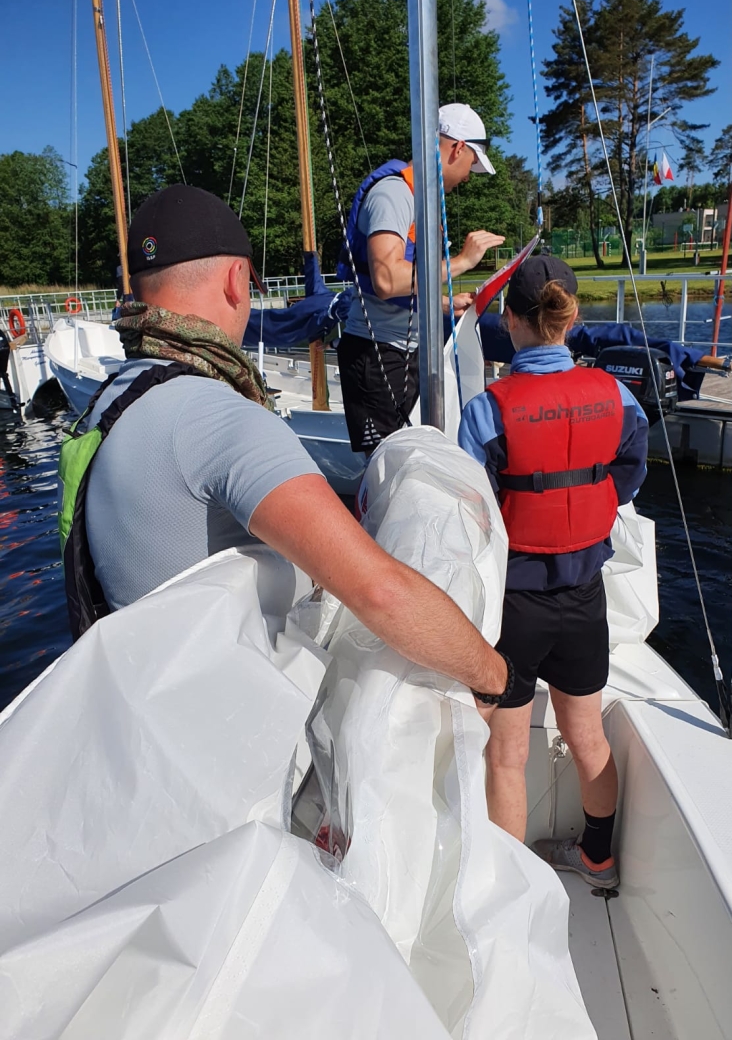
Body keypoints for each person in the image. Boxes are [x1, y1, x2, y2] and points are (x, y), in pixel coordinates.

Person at [65, 184, 512, 711]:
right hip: (227, 735)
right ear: (237, 280)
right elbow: (380, 592)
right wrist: (495, 674)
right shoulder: (217, 415)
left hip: (140, 706)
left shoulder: (108, 401)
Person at [458, 256, 649, 887]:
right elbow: (626, 475)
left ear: (509, 320)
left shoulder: (488, 410)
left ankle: (511, 892)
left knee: (508, 756)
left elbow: (472, 509)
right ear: (569, 321)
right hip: (584, 596)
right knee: (586, 733)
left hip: (516, 604)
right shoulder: (617, 395)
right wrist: (585, 506)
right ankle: (598, 858)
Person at [336, 103, 505, 454]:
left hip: (402, 350)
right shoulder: (394, 194)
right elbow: (385, 278)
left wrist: (444, 304)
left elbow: (404, 285)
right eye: (471, 162)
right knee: (385, 470)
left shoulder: (421, 200)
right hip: (377, 354)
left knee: (409, 461)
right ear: (457, 148)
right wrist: (461, 262)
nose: (469, 175)